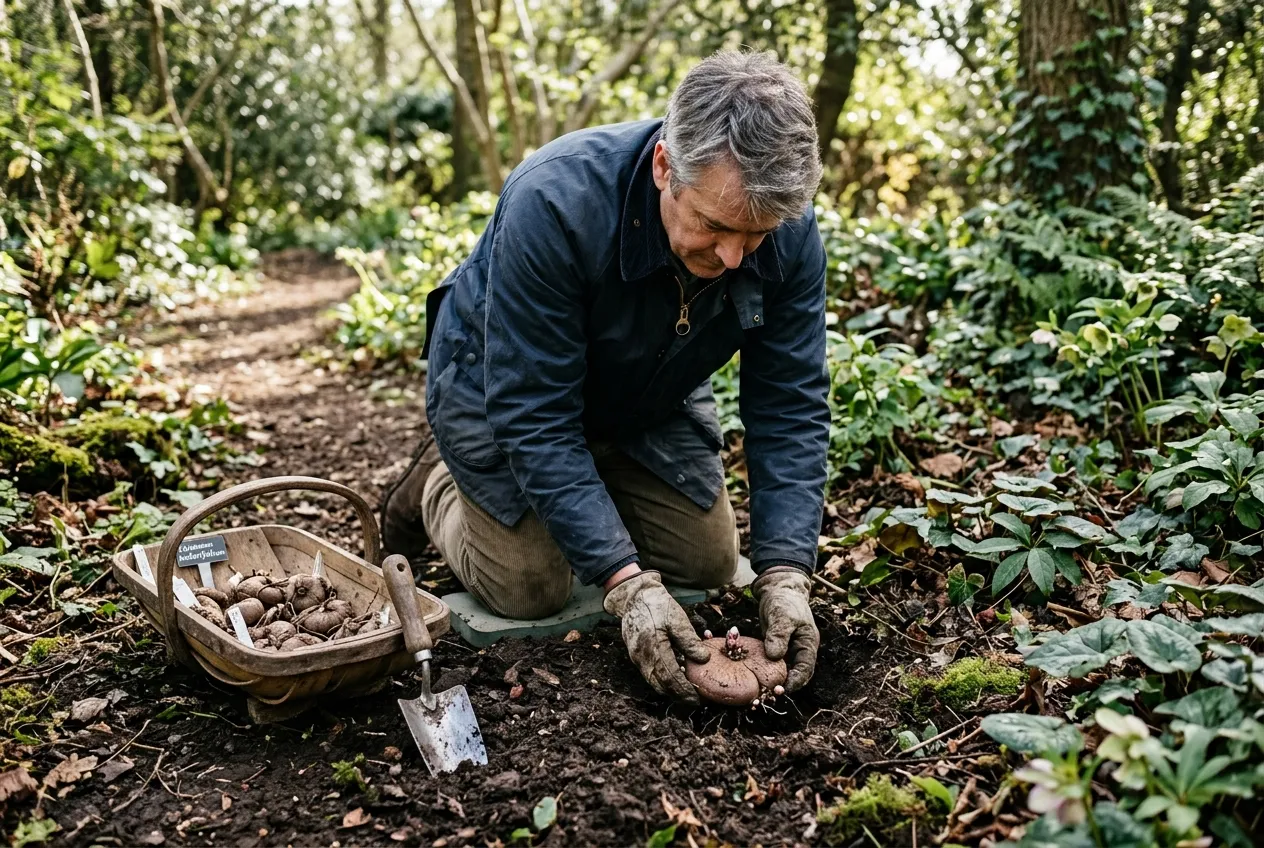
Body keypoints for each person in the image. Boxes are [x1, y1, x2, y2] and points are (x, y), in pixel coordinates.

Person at [380, 50, 830, 703]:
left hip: (645, 393)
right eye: (714, 227)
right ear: (663, 168)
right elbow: (533, 413)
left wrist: (788, 573)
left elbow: (789, 403)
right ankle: (438, 484)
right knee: (531, 586)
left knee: (707, 563)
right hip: (497, 385)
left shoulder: (784, 227)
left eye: (754, 238)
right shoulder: (553, 201)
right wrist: (627, 585)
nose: (735, 257)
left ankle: (588, 486)